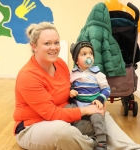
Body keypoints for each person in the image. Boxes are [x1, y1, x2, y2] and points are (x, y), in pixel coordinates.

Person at [13, 21, 140, 150]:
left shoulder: (59, 63)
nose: (54, 47)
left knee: (99, 112)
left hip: (66, 115)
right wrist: (85, 110)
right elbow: (51, 114)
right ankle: (94, 145)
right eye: (47, 43)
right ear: (34, 46)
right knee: (63, 131)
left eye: (56, 42)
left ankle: (131, 147)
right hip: (34, 126)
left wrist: (94, 102)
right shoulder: (28, 76)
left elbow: (71, 90)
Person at [70, 41, 111, 150]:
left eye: (90, 53)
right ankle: (78, 138)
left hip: (93, 104)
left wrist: (99, 100)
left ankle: (102, 143)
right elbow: (68, 86)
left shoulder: (98, 74)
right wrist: (71, 91)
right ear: (77, 61)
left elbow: (106, 89)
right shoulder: (73, 74)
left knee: (97, 119)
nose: (89, 56)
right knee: (70, 115)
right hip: (78, 104)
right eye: (84, 54)